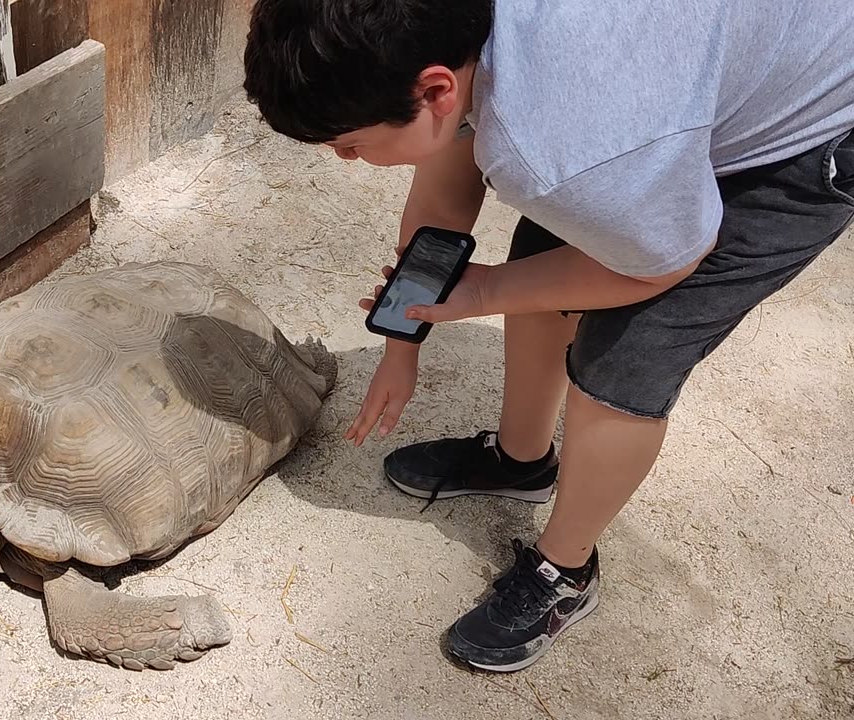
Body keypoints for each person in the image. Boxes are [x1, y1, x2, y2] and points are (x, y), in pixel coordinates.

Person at [242, 0, 854, 672]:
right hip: (679, 93)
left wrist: (486, 290)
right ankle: (521, 460)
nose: (345, 160)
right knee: (551, 251)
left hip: (809, 133)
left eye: (350, 143)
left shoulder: (561, 150)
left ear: (438, 87)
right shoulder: (458, 47)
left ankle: (566, 571)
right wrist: (401, 343)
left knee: (627, 357)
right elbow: (444, 205)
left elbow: (666, 258)